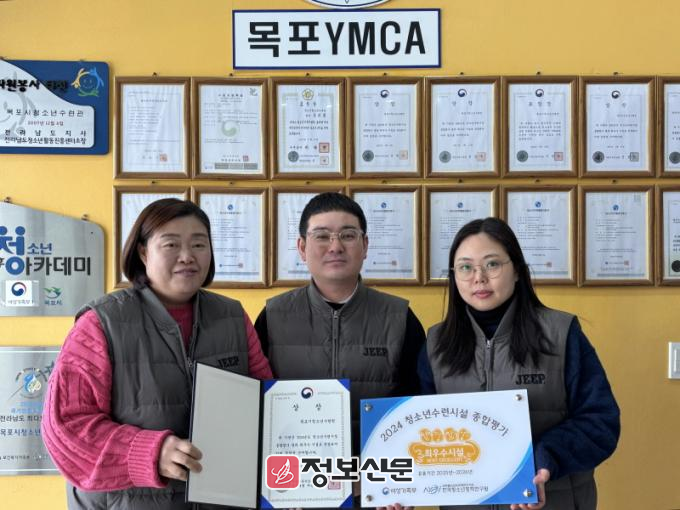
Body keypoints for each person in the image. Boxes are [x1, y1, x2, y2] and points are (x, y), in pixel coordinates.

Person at [42, 198, 272, 509]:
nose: (187, 256)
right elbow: (66, 428)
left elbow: (265, 404)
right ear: (142, 252)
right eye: (171, 244)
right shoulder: (101, 322)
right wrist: (149, 452)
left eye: (199, 244)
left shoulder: (232, 317)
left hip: (222, 499)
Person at [418, 217, 620, 510]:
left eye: (492, 264)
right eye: (465, 267)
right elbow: (416, 430)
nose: (479, 278)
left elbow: (601, 422)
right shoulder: (436, 343)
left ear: (517, 271)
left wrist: (546, 458)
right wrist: (396, 487)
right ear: (454, 277)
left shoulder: (561, 334)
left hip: (554, 500)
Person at [255, 192, 426, 453]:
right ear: (302, 247)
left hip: (377, 467)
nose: (335, 247)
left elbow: (417, 407)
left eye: (347, 235)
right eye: (322, 236)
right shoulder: (272, 316)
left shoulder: (400, 317)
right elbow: (254, 402)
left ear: (365, 245)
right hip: (293, 468)